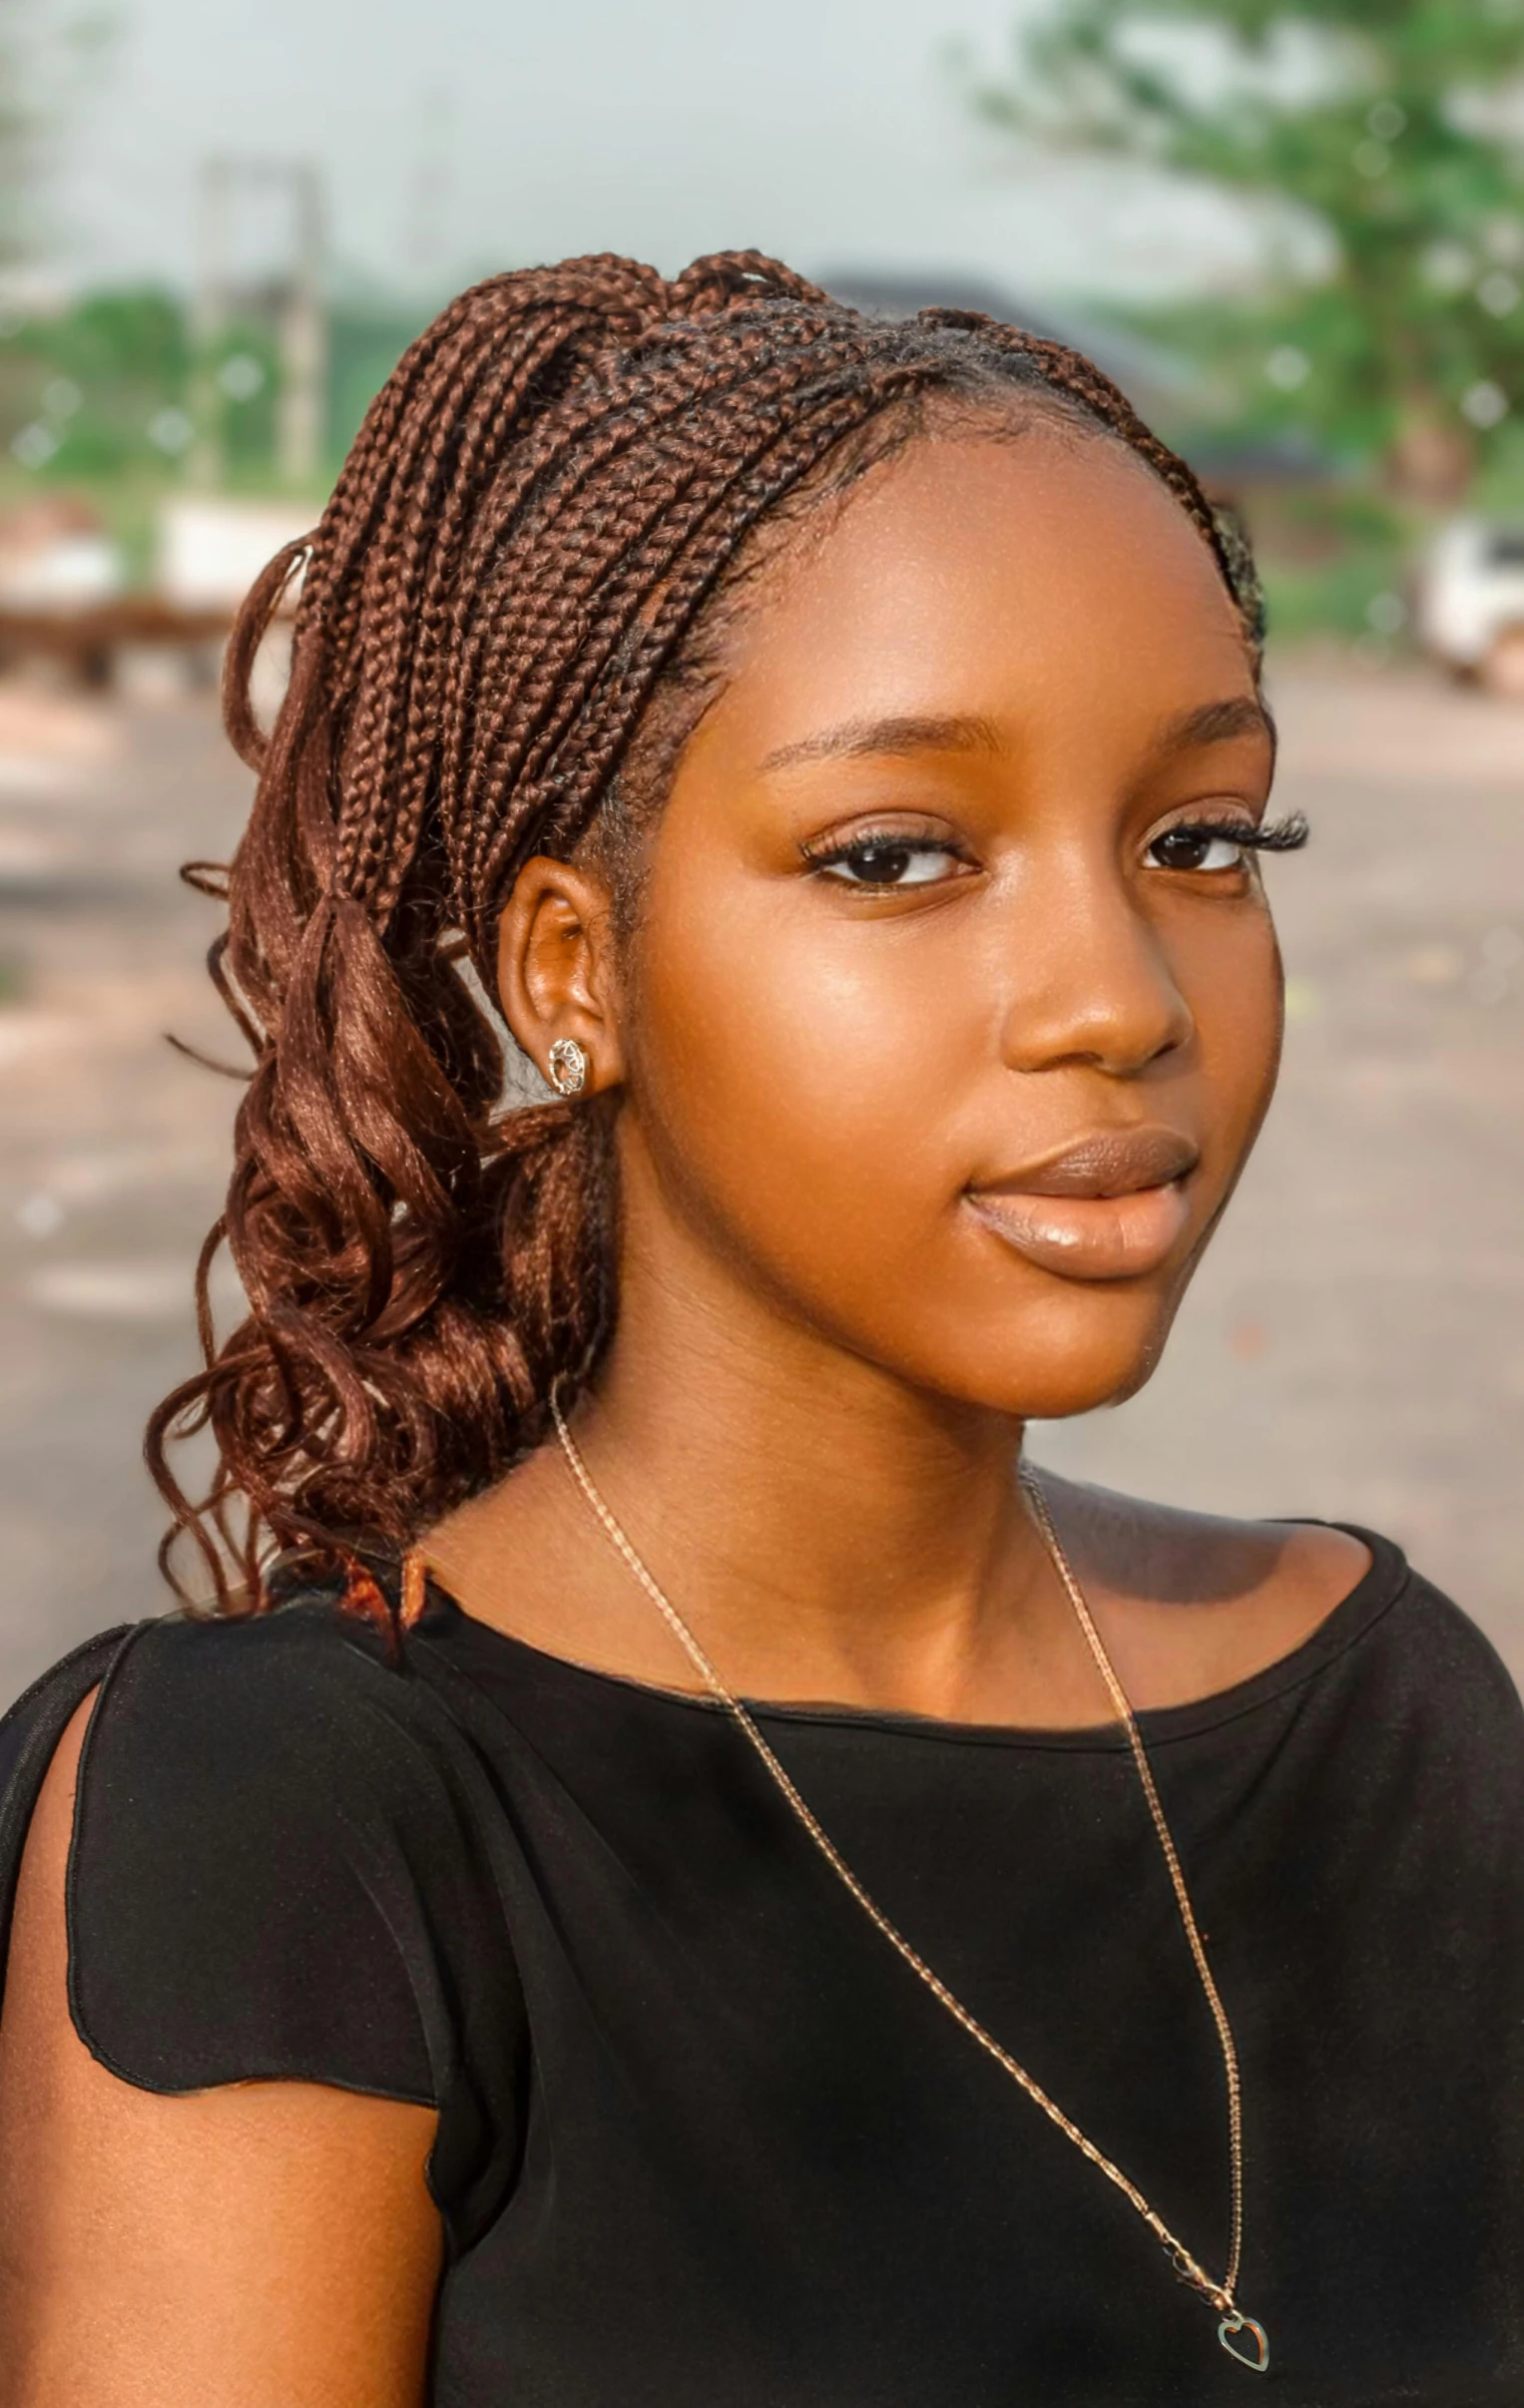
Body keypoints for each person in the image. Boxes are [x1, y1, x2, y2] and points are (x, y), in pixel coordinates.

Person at [0, 251, 1520, 2408]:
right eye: (898, 856)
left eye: (1201, 837)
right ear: (567, 973)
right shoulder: (304, 1829)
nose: (1120, 998)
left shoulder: (1389, 1725)